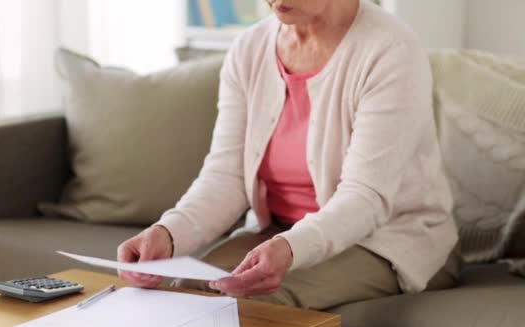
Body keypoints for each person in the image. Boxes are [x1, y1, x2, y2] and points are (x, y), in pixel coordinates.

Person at [117, 0, 460, 310]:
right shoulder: (248, 49)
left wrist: (290, 248)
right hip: (280, 232)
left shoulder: (390, 49)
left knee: (248, 306)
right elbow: (226, 176)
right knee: (181, 293)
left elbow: (364, 196)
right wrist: (168, 233)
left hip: (389, 240)